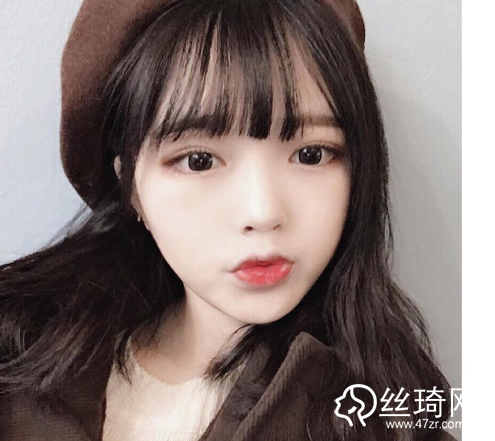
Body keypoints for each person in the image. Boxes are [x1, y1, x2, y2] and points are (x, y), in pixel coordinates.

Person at [0, 0, 456, 440]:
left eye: (311, 154)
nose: (263, 212)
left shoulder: (388, 418)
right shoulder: (18, 361)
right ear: (131, 187)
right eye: (198, 160)